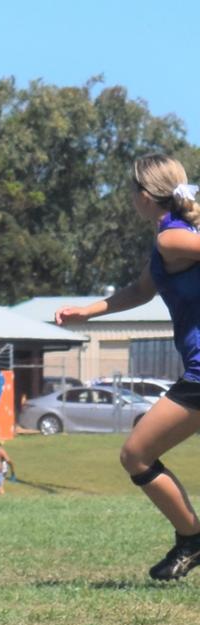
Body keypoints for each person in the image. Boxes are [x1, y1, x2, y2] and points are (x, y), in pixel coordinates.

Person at [56, 153, 200, 581]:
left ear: (143, 195)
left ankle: (192, 539)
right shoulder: (171, 239)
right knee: (137, 454)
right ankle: (190, 539)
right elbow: (141, 290)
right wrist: (89, 311)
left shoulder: (172, 239)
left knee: (136, 453)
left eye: (131, 191)